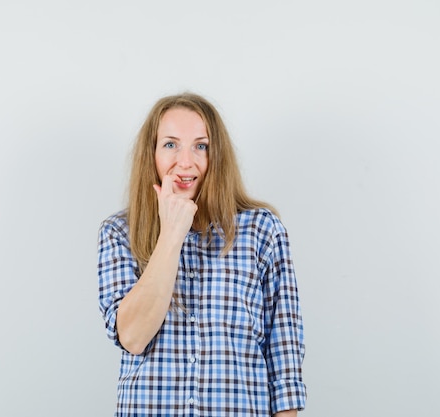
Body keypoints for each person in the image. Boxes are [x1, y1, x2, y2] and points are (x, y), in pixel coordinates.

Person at [97, 93, 306, 417]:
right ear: (150, 154)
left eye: (201, 145)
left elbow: (284, 359)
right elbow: (134, 337)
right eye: (170, 144)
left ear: (217, 154)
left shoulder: (262, 230)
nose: (185, 161)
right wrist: (171, 234)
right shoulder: (118, 233)